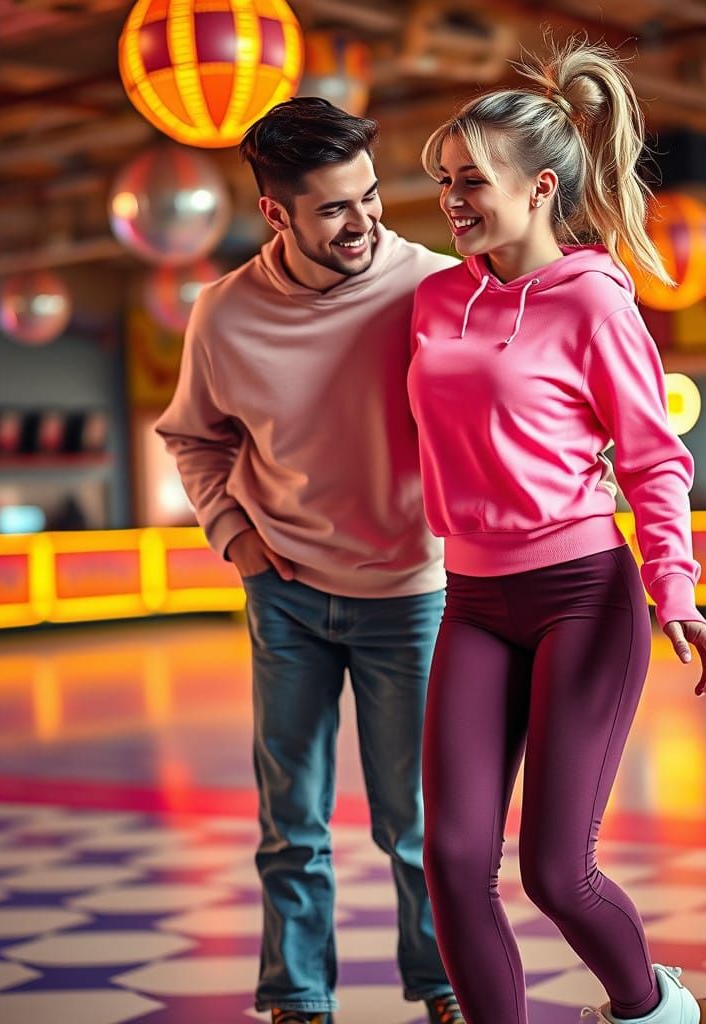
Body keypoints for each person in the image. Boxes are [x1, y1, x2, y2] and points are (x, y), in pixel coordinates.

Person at [406, 41, 706, 1024]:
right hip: (471, 599)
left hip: (582, 596)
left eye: (473, 182)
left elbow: (652, 456)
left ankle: (659, 1011)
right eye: (445, 182)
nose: (453, 200)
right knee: (454, 862)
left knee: (555, 869)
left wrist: (674, 588)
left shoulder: (592, 298)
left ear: (541, 187)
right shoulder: (432, 297)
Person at [156, 98, 463, 1024]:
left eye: (371, 197)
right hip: (283, 591)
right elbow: (194, 440)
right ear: (276, 214)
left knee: (418, 826)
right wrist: (237, 541)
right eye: (334, 209)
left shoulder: (437, 286)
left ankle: (446, 987)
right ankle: (298, 998)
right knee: (291, 826)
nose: (365, 223)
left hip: (411, 591)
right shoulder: (222, 314)